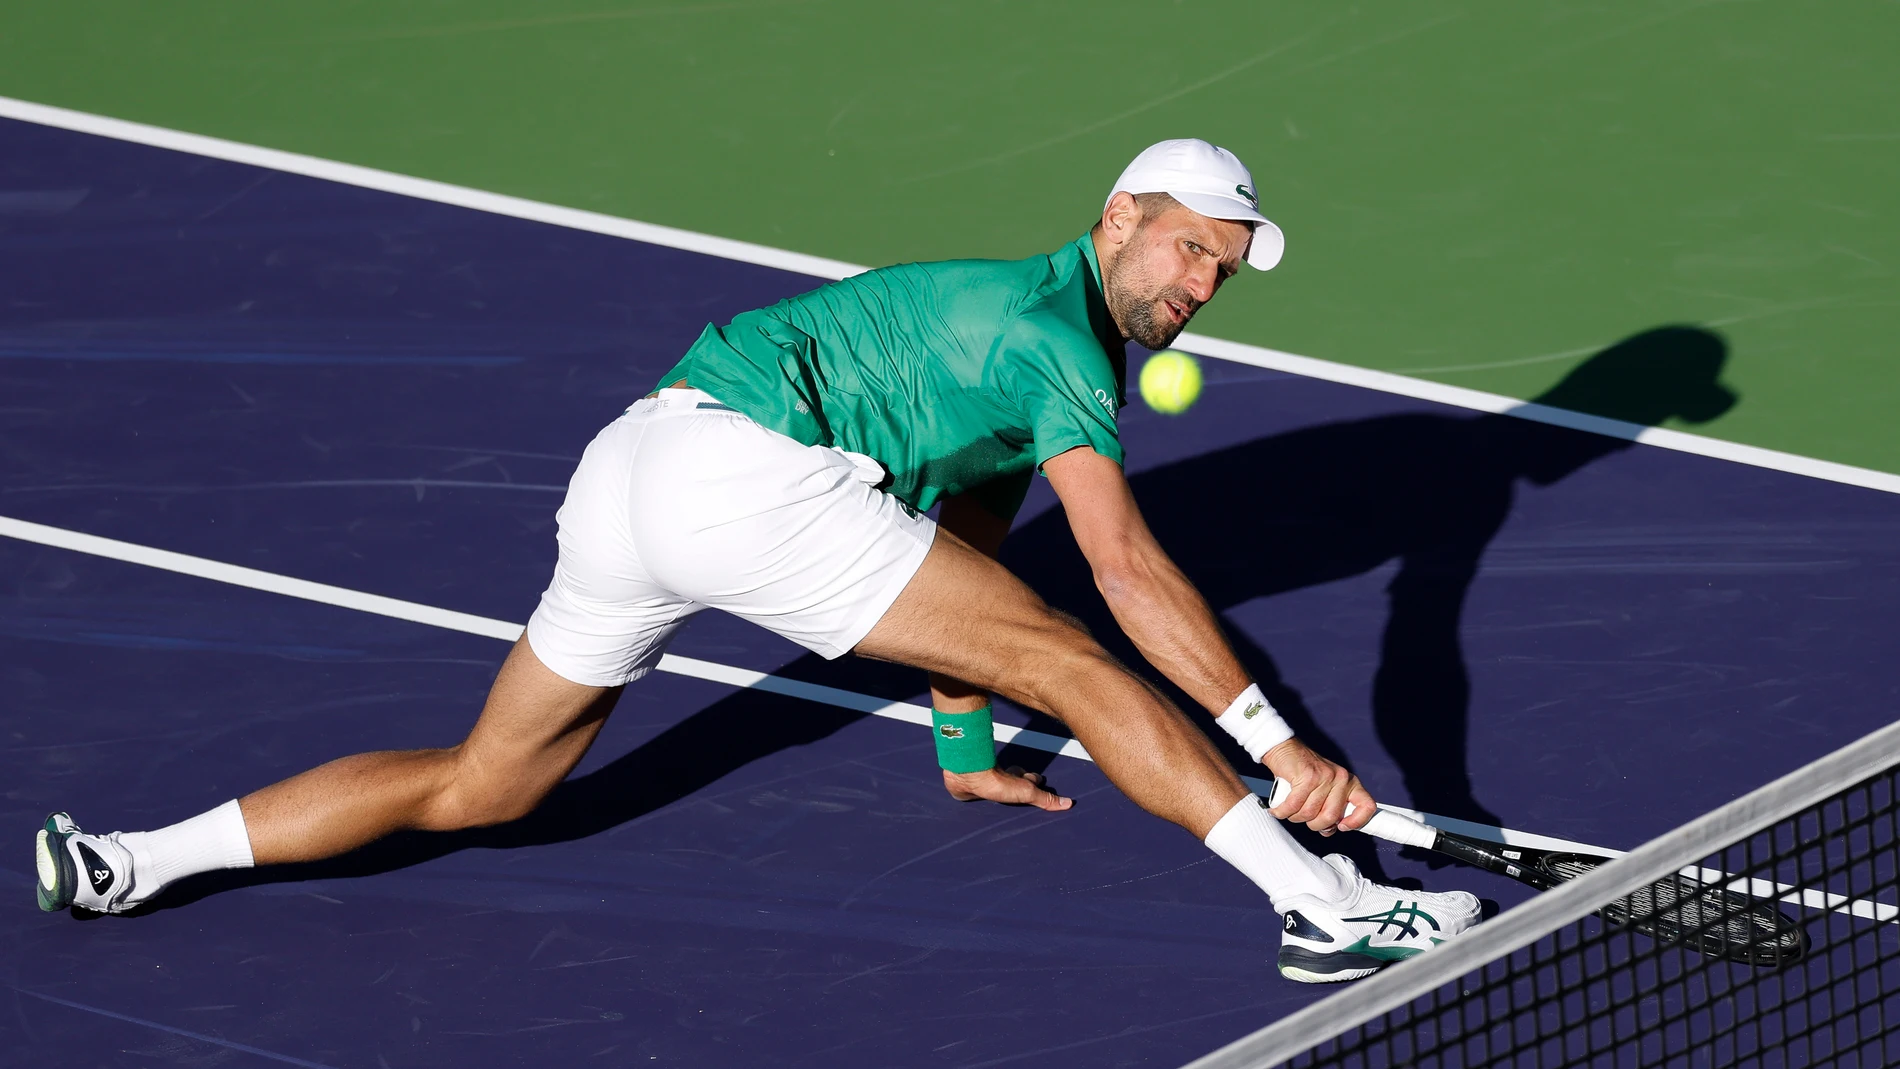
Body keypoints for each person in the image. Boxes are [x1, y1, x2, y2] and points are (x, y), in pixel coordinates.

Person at [34, 139, 1479, 983]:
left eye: (1221, 269)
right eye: (1185, 254)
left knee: (492, 784)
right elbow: (1122, 568)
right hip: (743, 475)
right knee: (1079, 661)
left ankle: (129, 860)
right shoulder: (1059, 351)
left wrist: (962, 738)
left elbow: (965, 529)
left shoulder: (1009, 323)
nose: (1199, 287)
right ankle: (1327, 906)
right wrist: (1270, 740)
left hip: (636, 469)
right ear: (1118, 223)